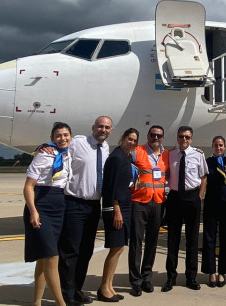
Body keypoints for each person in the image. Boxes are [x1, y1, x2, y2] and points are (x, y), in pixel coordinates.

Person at [40, 116, 112, 305]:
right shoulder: (79, 142)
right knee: (70, 251)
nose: (102, 130)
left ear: (110, 130)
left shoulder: (105, 148)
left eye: (106, 127)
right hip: (74, 203)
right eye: (100, 126)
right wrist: (45, 146)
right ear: (93, 127)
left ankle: (77, 289)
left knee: (86, 250)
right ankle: (66, 293)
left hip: (94, 205)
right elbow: (59, 146)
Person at [23, 122, 73, 306]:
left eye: (66, 135)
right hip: (41, 203)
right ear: (52, 138)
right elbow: (28, 187)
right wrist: (33, 211)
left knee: (44, 257)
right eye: (58, 135)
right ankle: (61, 303)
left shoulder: (68, 153)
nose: (63, 138)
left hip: (58, 204)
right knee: (52, 256)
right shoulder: (44, 154)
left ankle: (36, 302)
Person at [162, 125, 208, 292]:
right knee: (173, 239)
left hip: (192, 197)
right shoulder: (170, 154)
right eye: (181, 136)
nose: (184, 139)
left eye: (187, 137)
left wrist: (200, 196)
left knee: (192, 239)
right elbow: (166, 174)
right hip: (175, 198)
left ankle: (191, 277)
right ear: (177, 138)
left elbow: (203, 177)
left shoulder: (198, 154)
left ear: (191, 139)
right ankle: (171, 277)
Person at [98, 128, 139, 302]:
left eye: (134, 140)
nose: (131, 142)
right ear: (122, 138)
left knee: (119, 247)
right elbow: (112, 186)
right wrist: (116, 209)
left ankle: (109, 285)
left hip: (124, 206)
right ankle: (103, 288)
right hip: (116, 208)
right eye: (129, 139)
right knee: (115, 248)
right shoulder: (116, 158)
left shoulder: (126, 157)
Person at [128, 125, 169, 297]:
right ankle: (135, 281)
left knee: (152, 242)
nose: (156, 138)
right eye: (152, 135)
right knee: (136, 243)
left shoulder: (166, 155)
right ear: (148, 136)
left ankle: (146, 278)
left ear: (163, 137)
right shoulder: (137, 152)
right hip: (139, 202)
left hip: (158, 202)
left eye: (159, 136)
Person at [201, 136, 226, 288]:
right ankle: (211, 272)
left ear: (225, 146)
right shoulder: (208, 162)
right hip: (211, 205)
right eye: (216, 145)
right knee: (209, 240)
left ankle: (223, 271)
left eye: (221, 145)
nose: (219, 148)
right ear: (212, 146)